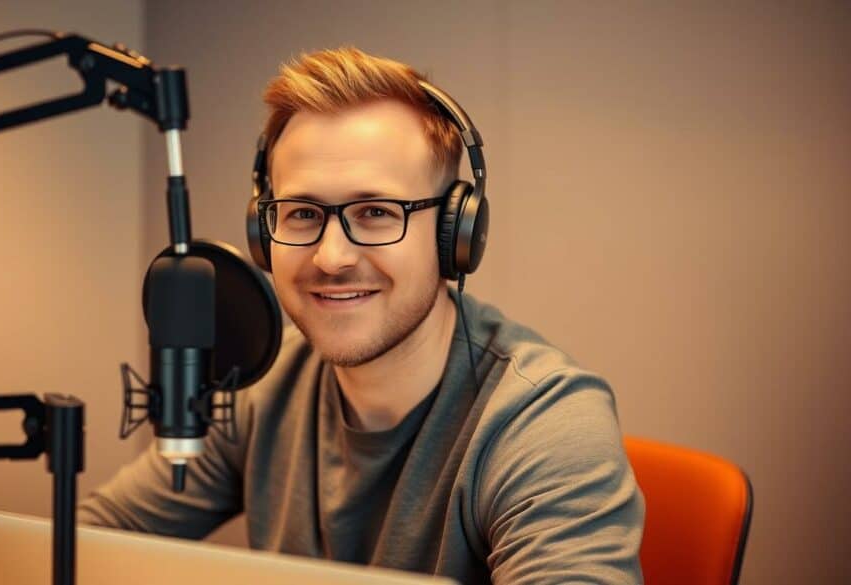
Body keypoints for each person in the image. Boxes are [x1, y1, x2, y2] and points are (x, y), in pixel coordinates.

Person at [78, 47, 644, 584]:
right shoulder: (262, 385)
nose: (331, 258)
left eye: (376, 212)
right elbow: (86, 546)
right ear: (261, 232)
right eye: (302, 213)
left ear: (456, 234)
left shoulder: (543, 425)